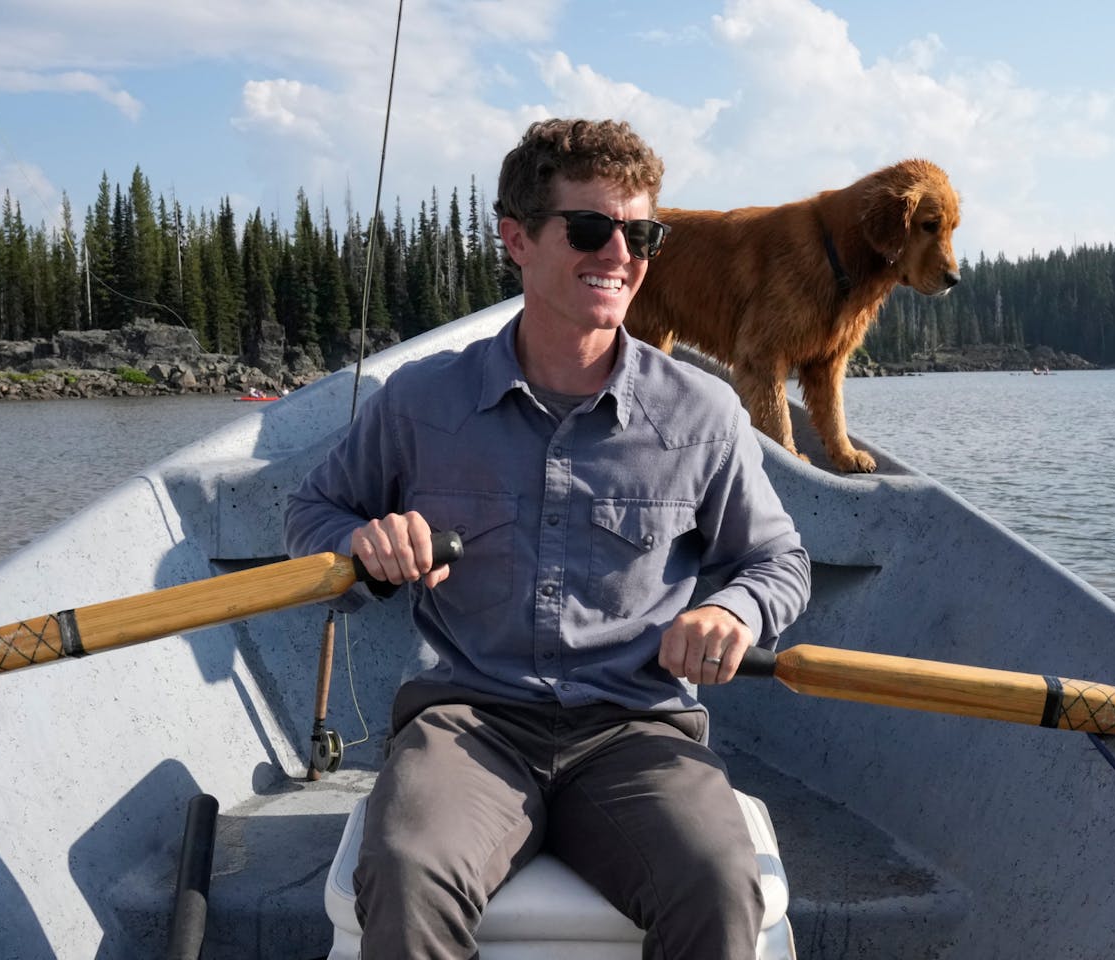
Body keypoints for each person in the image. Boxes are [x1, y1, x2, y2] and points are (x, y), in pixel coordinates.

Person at [284, 118, 811, 959]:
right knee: (409, 869)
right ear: (517, 240)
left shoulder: (704, 414)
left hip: (637, 731)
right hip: (471, 725)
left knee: (718, 883)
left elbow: (775, 560)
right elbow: (312, 513)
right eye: (592, 229)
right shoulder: (420, 403)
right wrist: (363, 547)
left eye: (641, 233)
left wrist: (736, 613)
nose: (620, 254)